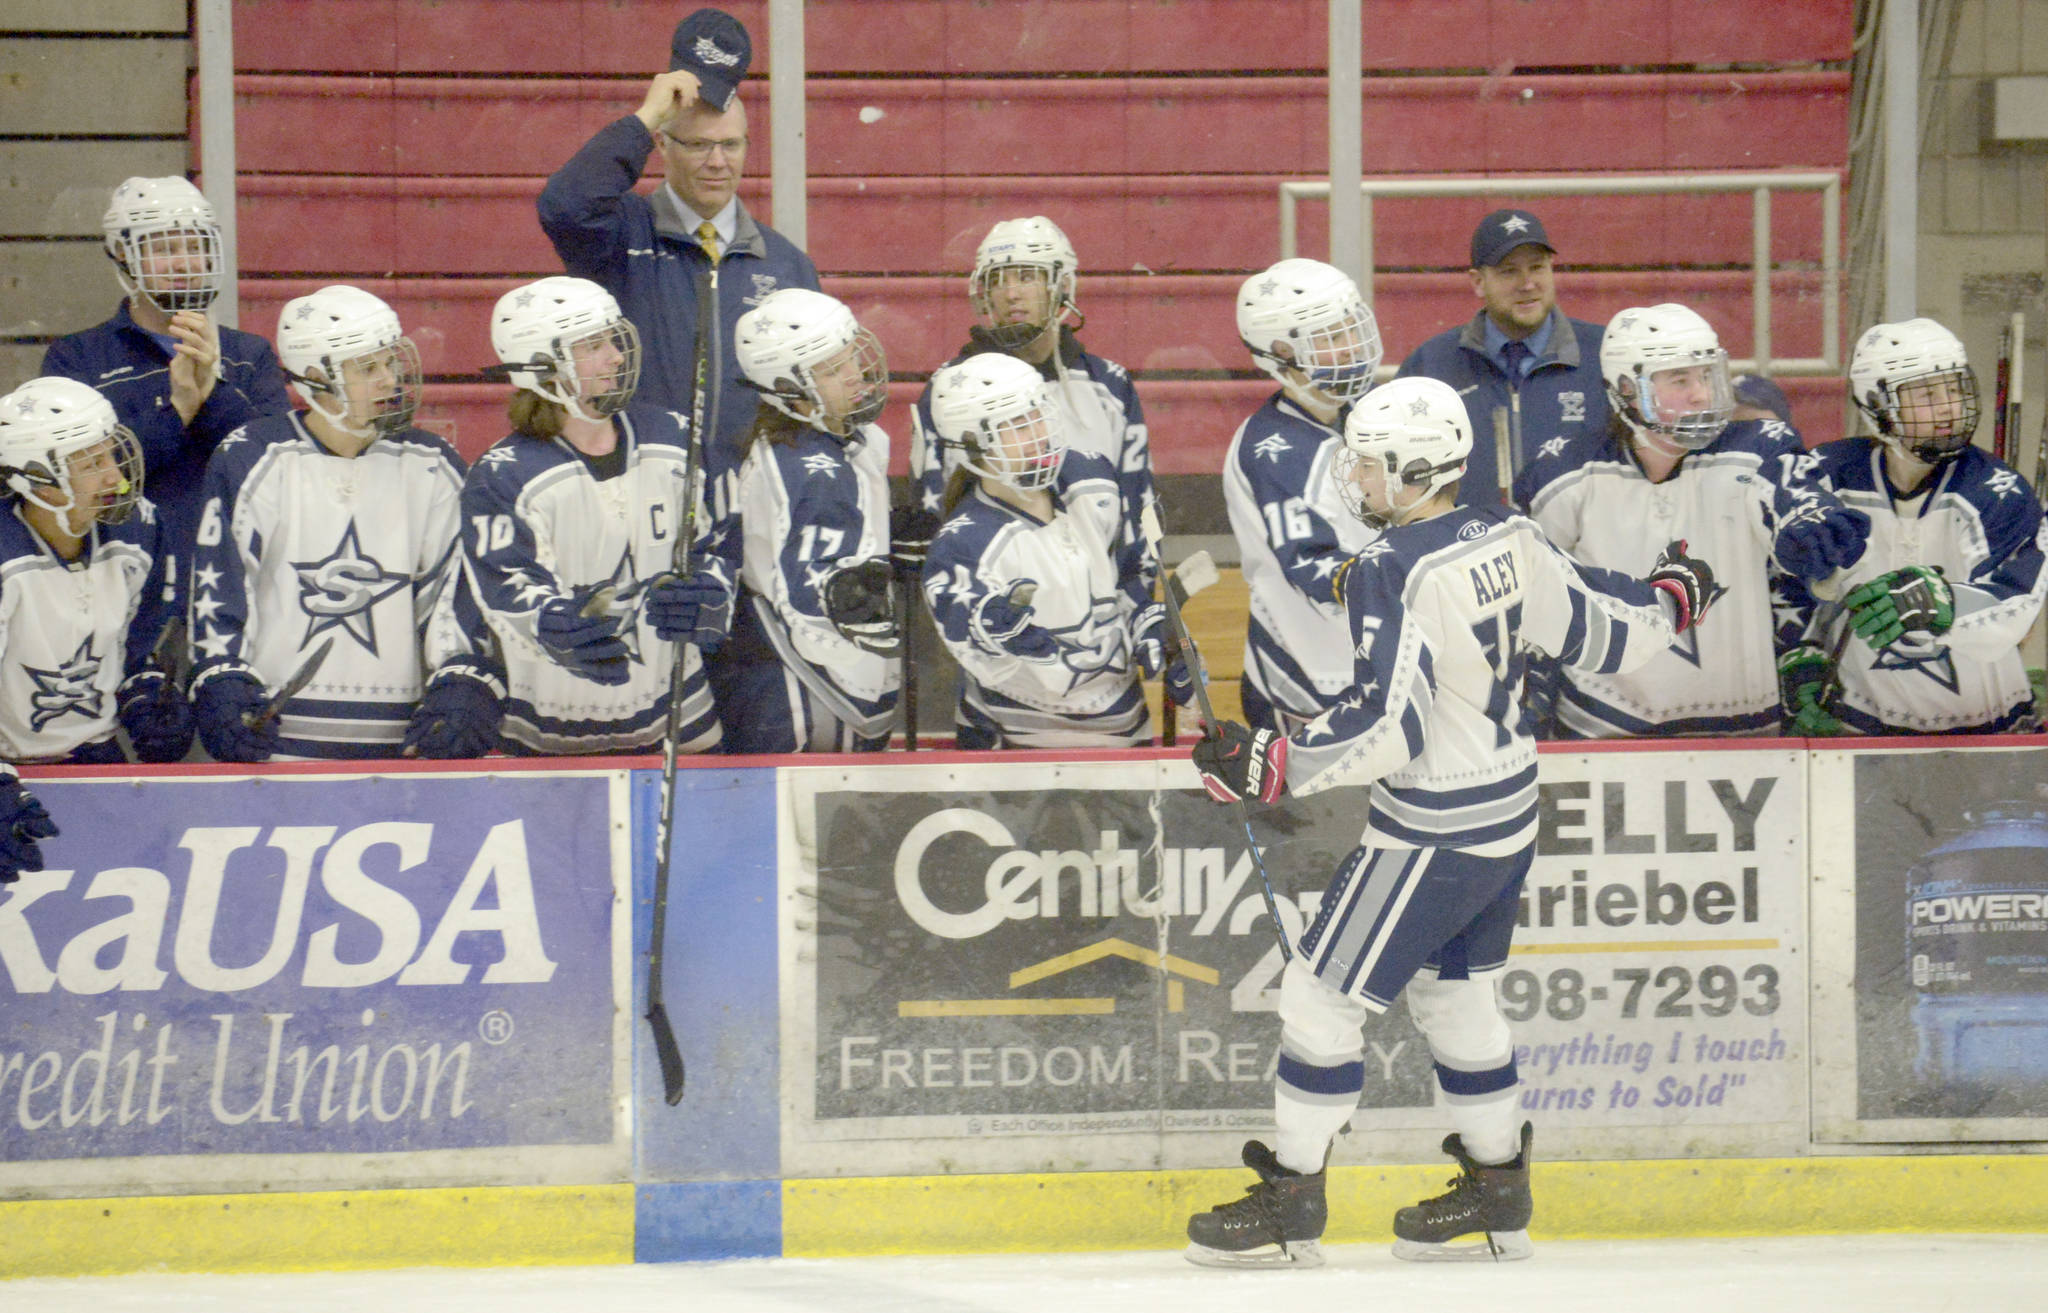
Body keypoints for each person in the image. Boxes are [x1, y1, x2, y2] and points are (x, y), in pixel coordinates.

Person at [1181, 376, 1719, 1268]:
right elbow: (1601, 629)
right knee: (1457, 995)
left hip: (1434, 827)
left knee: (1319, 995)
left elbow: (1394, 723)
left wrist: (1273, 761)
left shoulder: (1389, 568)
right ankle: (1499, 1190)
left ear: (1412, 466)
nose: (1352, 476)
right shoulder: (1509, 530)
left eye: (1365, 462)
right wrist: (1670, 598)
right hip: (1509, 811)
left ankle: (1289, 1201)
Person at [1514, 303, 1868, 738]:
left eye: (1705, 376)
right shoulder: (1564, 472)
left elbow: (1795, 493)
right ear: (1627, 389)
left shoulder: (1759, 449)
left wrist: (1811, 521)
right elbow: (1537, 597)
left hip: (1744, 732)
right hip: (1602, 727)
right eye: (1680, 380)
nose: (1701, 394)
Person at [185, 286, 495, 762]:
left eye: (390, 362)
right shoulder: (251, 457)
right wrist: (222, 678)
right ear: (316, 379)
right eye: (368, 368)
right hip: (276, 743)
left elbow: (454, 596)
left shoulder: (432, 463)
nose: (390, 379)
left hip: (404, 746)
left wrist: (462, 677)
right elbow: (221, 589)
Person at [462, 276, 735, 755]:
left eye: (612, 339)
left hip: (681, 721)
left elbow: (720, 541)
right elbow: (502, 593)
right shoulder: (501, 475)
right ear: (543, 366)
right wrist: (553, 626)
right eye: (593, 345)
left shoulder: (674, 436)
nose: (615, 356)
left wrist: (713, 594)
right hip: (549, 737)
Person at [537, 15, 818, 479]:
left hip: (745, 508)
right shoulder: (621, 234)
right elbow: (564, 206)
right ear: (662, 146)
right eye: (698, 145)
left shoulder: (786, 263)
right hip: (635, 491)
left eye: (731, 145)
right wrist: (644, 118)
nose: (717, 162)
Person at [1778, 318, 2047, 736]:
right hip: (1861, 728)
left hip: (1992, 731)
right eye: (1926, 393)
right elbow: (1785, 578)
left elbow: (2013, 610)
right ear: (1876, 404)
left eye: (1954, 388)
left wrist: (1944, 604)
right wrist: (1802, 650)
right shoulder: (1826, 478)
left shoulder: (2000, 493)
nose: (1947, 407)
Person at [41, 177, 292, 608]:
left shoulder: (250, 356)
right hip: (113, 591)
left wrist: (213, 393)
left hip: (238, 585)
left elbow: (277, 474)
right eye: (164, 249)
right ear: (123, 255)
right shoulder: (76, 360)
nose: (184, 263)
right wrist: (176, 411)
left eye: (194, 247)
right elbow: (74, 485)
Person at [920, 354, 1187, 749]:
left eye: (1038, 414)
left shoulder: (1094, 482)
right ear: (973, 444)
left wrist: (1152, 628)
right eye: (1016, 425)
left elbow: (1127, 579)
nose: (1038, 433)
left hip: (1125, 728)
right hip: (1017, 747)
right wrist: (989, 624)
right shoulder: (962, 544)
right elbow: (972, 632)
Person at [904, 217, 1154, 587]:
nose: (1010, 293)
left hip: (1093, 605)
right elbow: (933, 510)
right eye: (997, 280)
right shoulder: (949, 388)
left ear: (1061, 285)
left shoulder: (1110, 386)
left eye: (1026, 276)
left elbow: (1136, 511)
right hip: (989, 599)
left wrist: (1138, 604)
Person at [720, 288, 901, 752]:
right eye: (833, 369)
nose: (856, 375)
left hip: (833, 672)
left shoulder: (850, 441)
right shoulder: (799, 469)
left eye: (849, 358)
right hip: (796, 684)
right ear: (789, 390)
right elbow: (806, 598)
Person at [1222, 258, 1385, 734]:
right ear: (1280, 351)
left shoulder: (1365, 415)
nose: (1351, 346)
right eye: (1330, 337)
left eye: (1348, 328)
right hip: (1308, 683)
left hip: (1365, 671)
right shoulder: (1275, 451)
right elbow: (1317, 571)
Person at [0, 376, 189, 766]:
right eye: (92, 464)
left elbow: (140, 645)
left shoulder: (138, 528)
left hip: (97, 754)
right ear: (40, 483)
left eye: (112, 455)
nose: (116, 479)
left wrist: (146, 697)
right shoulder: (7, 555)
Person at [1395, 208, 1609, 503]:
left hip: (1575, 548)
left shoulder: (1605, 356)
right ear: (1478, 282)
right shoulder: (1430, 366)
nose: (1527, 284)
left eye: (1537, 267)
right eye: (1509, 271)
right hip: (1468, 546)